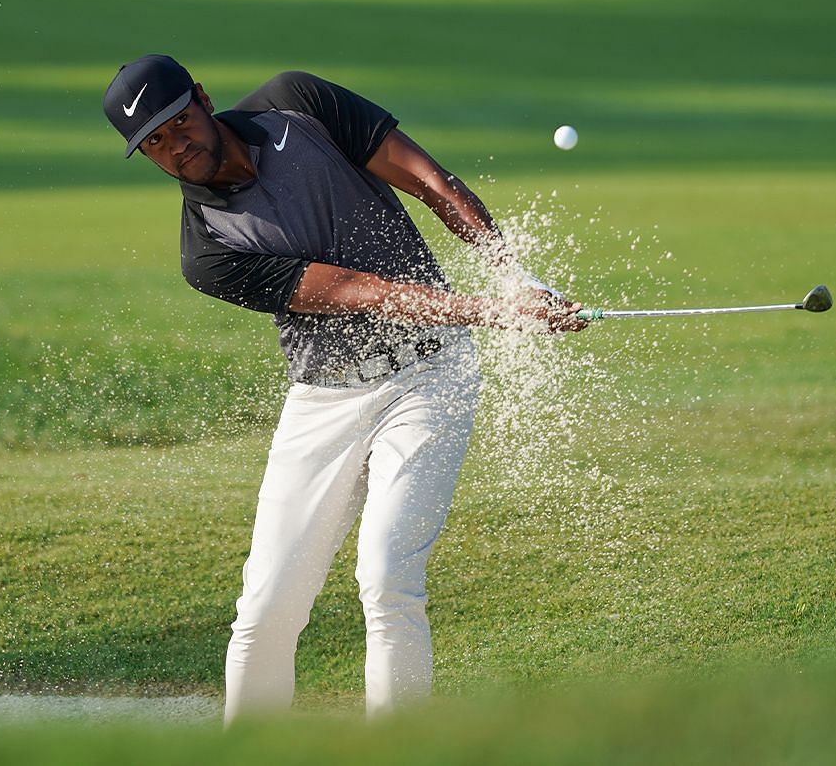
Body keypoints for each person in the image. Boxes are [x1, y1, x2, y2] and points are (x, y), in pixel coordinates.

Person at [102, 55, 587, 723]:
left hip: (429, 375)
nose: (174, 147)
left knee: (387, 578)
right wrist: (493, 311)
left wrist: (513, 277)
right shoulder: (206, 251)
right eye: (153, 143)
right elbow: (359, 294)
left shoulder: (295, 104)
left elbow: (425, 178)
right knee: (268, 606)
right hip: (324, 400)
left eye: (178, 122)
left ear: (202, 99)